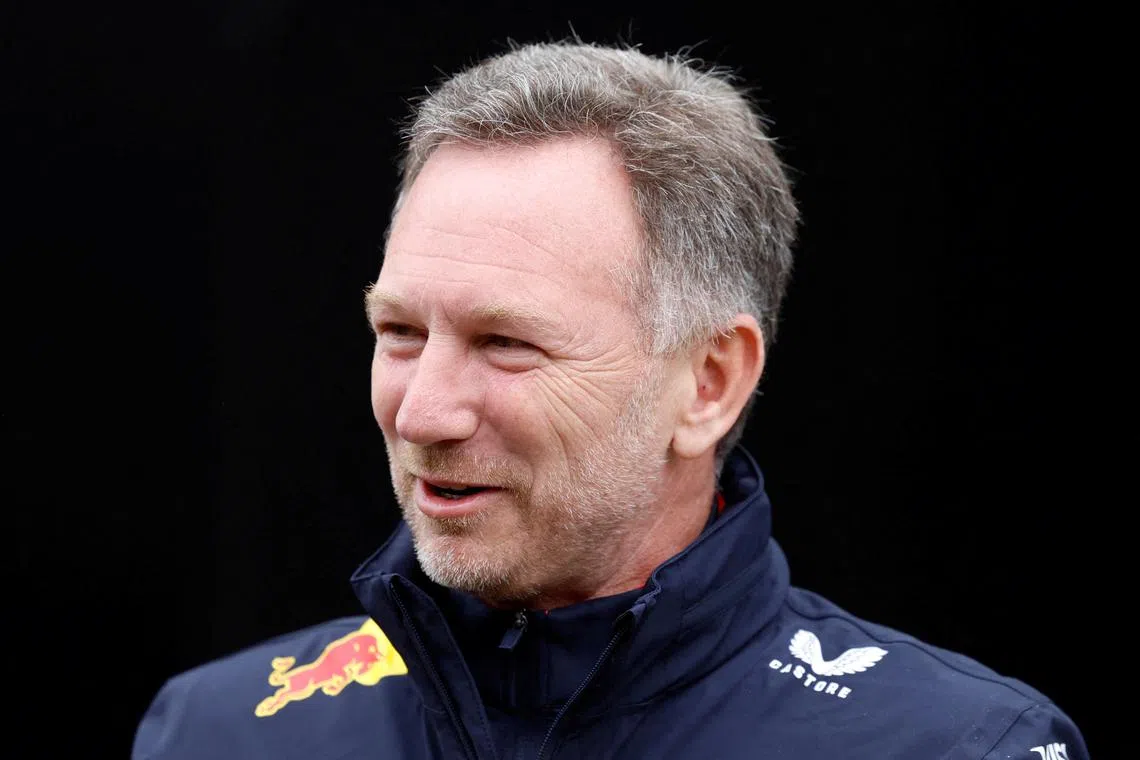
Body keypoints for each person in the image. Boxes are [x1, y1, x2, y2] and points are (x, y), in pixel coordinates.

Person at [133, 40, 1089, 759]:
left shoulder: (958, 749)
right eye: (401, 334)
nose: (422, 413)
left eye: (506, 344)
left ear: (709, 383)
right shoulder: (217, 731)